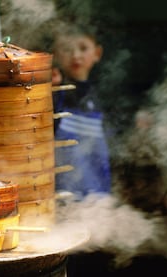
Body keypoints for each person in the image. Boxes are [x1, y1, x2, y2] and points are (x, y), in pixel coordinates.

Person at [51, 22, 111, 199]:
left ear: (97, 53)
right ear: (55, 54)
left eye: (83, 48)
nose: (76, 55)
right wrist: (52, 90)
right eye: (67, 49)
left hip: (98, 191)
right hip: (63, 192)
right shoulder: (54, 92)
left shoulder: (103, 96)